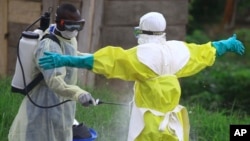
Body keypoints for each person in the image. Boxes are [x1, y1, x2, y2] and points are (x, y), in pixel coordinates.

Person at [38, 12, 245, 141]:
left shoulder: (141, 58)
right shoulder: (178, 52)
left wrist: (65, 60)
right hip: (173, 127)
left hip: (147, 127)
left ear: (142, 32)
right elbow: (205, 52)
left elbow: (107, 61)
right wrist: (226, 44)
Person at [8, 3, 96, 141]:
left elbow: (71, 55)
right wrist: (79, 94)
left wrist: (92, 61)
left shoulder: (68, 37)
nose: (74, 30)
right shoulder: (48, 46)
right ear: (60, 23)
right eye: (70, 25)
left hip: (63, 103)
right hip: (43, 106)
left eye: (78, 26)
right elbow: (55, 80)